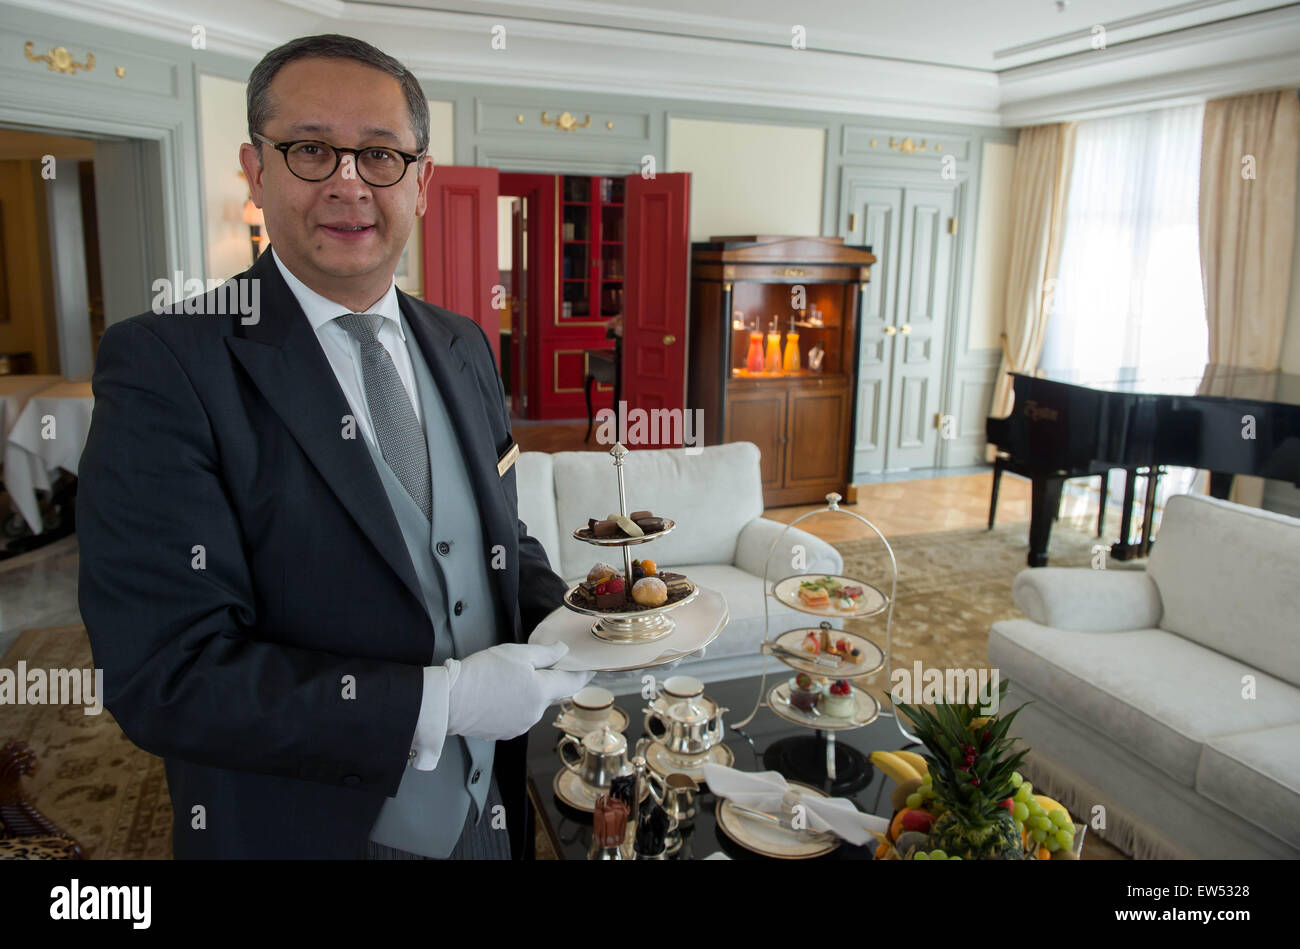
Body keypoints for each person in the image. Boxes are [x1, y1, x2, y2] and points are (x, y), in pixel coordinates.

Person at [76, 33, 592, 860]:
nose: (348, 183)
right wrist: (445, 702)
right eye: (312, 149)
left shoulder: (464, 345)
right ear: (257, 170)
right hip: (306, 830)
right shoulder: (166, 363)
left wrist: (577, 616)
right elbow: (166, 675)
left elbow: (500, 536)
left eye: (380, 155)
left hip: (488, 814)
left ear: (421, 183)